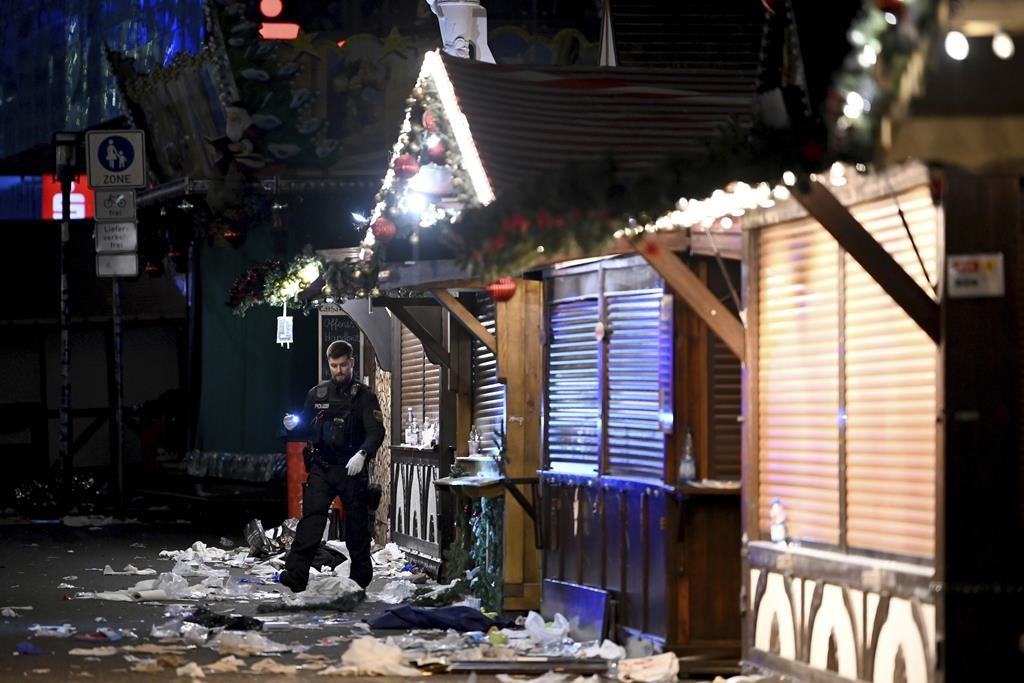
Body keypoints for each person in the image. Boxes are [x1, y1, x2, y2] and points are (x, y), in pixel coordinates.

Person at [279, 340, 385, 592]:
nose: (338, 370)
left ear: (352, 363)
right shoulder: (317, 394)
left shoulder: (364, 397)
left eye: (343, 365)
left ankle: (360, 581)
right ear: (329, 364)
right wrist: (292, 427)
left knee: (357, 528)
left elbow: (376, 431)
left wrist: (362, 454)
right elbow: (307, 427)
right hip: (322, 468)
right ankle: (295, 575)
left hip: (351, 469)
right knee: (311, 522)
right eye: (334, 365)